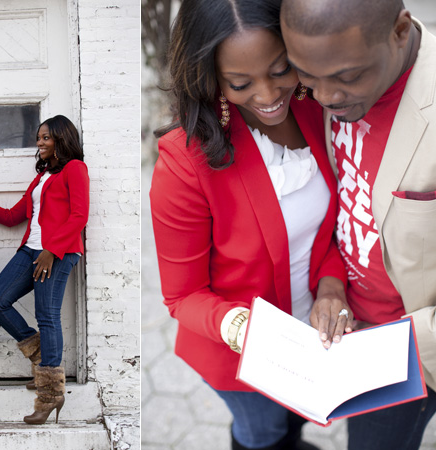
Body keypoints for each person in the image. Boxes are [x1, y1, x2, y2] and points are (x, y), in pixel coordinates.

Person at [149, 0, 349, 448]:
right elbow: (182, 296)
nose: (268, 95)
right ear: (210, 77)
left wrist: (333, 287)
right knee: (263, 433)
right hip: (239, 350)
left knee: (294, 422)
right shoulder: (184, 163)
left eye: (280, 70)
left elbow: (329, 228)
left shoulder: (312, 106)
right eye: (240, 83)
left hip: (310, 331)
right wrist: (240, 328)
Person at [280, 0, 436, 448]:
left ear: (400, 30)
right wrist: (332, 286)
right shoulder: (325, 78)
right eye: (307, 76)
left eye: (347, 78)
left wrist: (405, 350)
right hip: (348, 325)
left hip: (408, 353)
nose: (326, 97)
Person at [0, 115, 89, 425]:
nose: (39, 143)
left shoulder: (75, 169)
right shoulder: (41, 177)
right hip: (30, 250)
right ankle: (41, 355)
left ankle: (50, 394)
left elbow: (79, 216)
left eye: (45, 138)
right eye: (39, 138)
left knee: (47, 315)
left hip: (57, 253)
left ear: (61, 139)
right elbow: (16, 215)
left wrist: (52, 251)